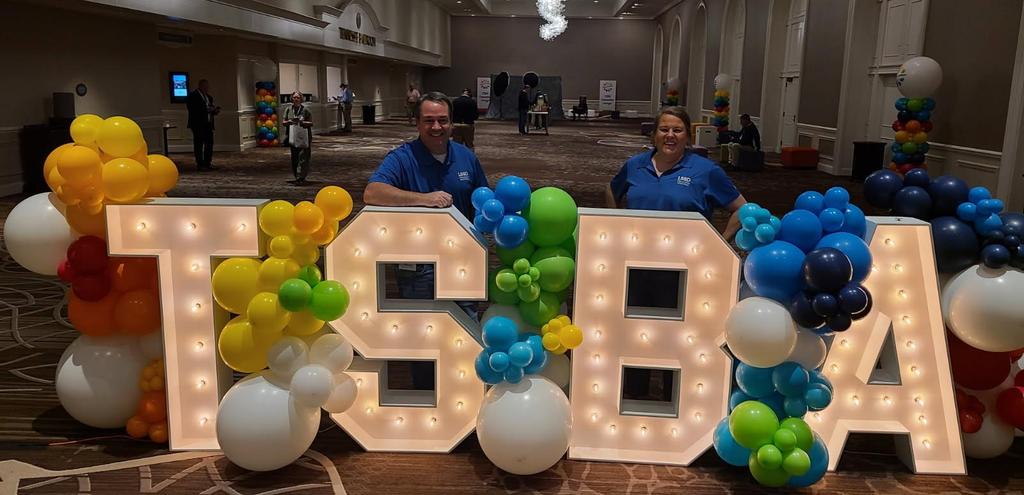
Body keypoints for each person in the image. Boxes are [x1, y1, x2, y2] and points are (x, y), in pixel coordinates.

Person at [606, 106, 748, 399]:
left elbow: (742, 209)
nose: (670, 135)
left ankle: (675, 398)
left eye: (677, 130)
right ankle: (635, 396)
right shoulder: (634, 166)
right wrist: (616, 223)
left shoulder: (706, 171)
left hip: (684, 272)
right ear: (654, 134)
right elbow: (611, 190)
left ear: (688, 136)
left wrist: (720, 242)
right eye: (664, 129)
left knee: (679, 338)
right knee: (636, 334)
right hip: (637, 268)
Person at [365, 91, 489, 390]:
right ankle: (426, 397)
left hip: (462, 264)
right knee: (422, 340)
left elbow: (484, 202)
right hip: (419, 270)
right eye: (429, 121)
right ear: (417, 123)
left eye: (443, 120)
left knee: (466, 336)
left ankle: (464, 397)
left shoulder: (466, 157)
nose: (436, 127)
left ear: (452, 123)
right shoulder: (402, 158)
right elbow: (372, 193)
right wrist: (423, 199)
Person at [186, 79, 220, 171]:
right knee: (199, 144)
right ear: (200, 86)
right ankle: (200, 164)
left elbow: (210, 108)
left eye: (207, 86)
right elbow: (193, 110)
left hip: (208, 124)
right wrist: (207, 110)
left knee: (209, 144)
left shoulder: (209, 97)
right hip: (197, 124)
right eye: (205, 86)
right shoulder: (193, 96)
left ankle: (207, 163)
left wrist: (214, 111)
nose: (207, 88)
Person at [282, 91, 313, 185]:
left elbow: (311, 123)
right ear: (292, 98)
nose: (296, 99)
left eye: (298, 97)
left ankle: (301, 177)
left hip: (304, 136)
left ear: (301, 99)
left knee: (303, 157)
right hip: (292, 136)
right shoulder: (288, 109)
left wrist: (302, 122)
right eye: (294, 97)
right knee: (294, 157)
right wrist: (289, 122)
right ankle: (296, 176)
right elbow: (283, 122)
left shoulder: (305, 110)